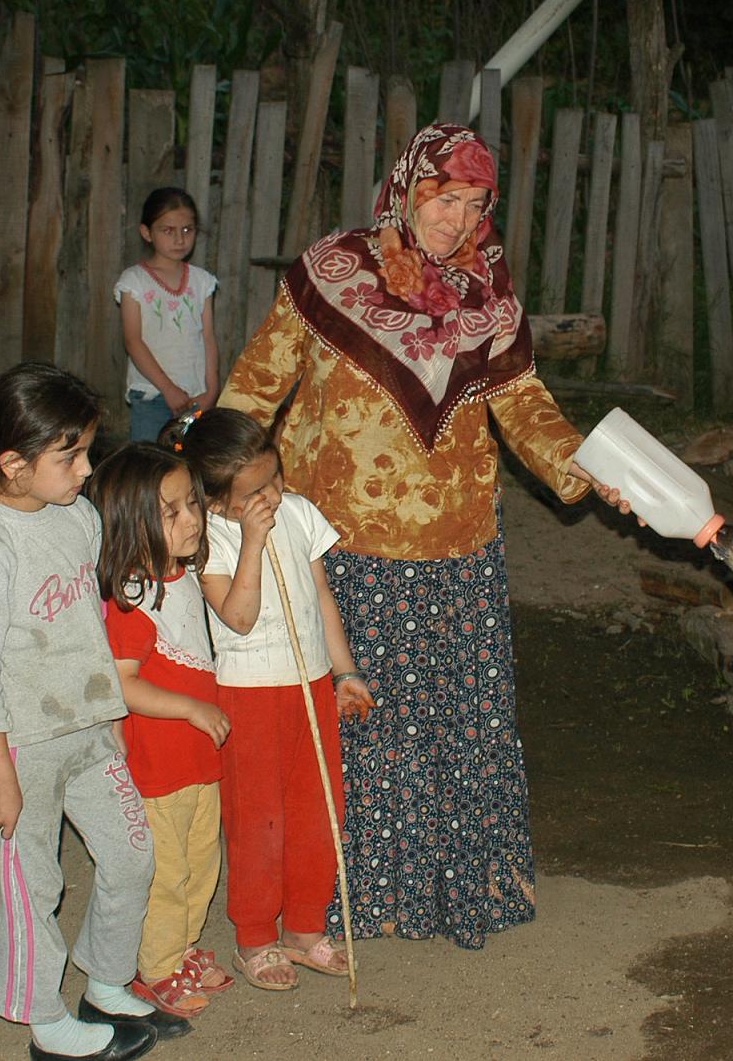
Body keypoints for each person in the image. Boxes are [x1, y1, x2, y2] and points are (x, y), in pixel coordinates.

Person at [218, 123, 615, 949]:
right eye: (443, 197)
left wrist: (590, 467)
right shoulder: (330, 273)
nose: (455, 218)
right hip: (344, 547)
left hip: (458, 549)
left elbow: (525, 404)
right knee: (358, 729)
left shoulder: (490, 292)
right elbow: (257, 382)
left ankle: (446, 884)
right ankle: (339, 893)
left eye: (474, 203)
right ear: (407, 187)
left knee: (448, 725)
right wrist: (211, 486)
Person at [0, 363, 183, 1061]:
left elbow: (89, 622)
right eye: (71, 454)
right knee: (34, 884)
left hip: (88, 727)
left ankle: (106, 981)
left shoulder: (74, 515)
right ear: (13, 464)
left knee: (132, 853)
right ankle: (44, 1019)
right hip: (23, 745)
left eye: (86, 449)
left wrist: (108, 712)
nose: (87, 468)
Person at [169, 408, 373, 990]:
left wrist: (344, 671)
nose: (272, 496)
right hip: (248, 697)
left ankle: (306, 929)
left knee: (316, 813)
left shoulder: (301, 513)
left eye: (275, 479)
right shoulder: (211, 539)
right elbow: (237, 617)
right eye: (253, 492)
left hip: (309, 684)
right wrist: (253, 541)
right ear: (214, 500)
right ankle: (255, 935)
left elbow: (323, 600)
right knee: (258, 822)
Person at [89, 442, 234, 1018]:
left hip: (197, 762)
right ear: (132, 522)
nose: (192, 519)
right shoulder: (132, 599)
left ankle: (182, 947)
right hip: (156, 769)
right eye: (170, 512)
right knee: (166, 873)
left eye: (192, 504)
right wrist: (191, 709)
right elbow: (123, 684)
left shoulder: (184, 580)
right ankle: (155, 967)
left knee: (201, 863)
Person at [116, 187, 219, 442]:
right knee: (151, 469)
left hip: (196, 397)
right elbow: (133, 341)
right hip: (152, 395)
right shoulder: (134, 281)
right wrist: (168, 390)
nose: (180, 239)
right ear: (146, 232)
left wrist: (212, 389)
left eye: (187, 230)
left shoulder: (201, 281)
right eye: (168, 230)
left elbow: (208, 338)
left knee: (189, 465)